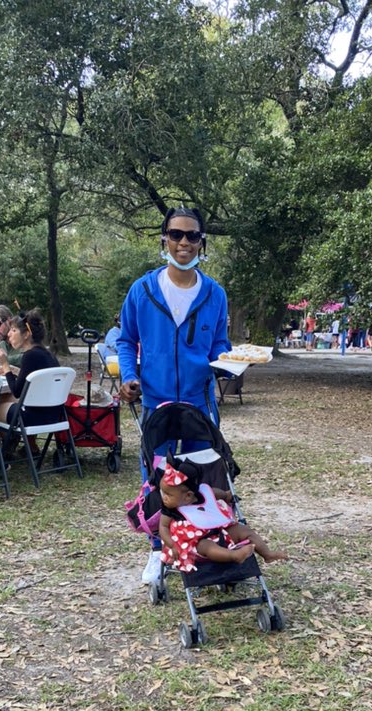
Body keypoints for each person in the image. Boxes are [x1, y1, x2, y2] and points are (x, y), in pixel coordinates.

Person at [116, 206, 232, 584]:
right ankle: (158, 550)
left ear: (202, 243)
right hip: (156, 403)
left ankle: (208, 543)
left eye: (193, 236)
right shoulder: (143, 290)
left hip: (199, 404)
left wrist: (230, 364)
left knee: (204, 475)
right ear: (164, 239)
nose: (184, 243)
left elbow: (220, 345)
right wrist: (131, 377)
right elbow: (126, 340)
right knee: (158, 480)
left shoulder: (214, 293)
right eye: (177, 234)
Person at [158, 456, 287, 572]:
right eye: (163, 493)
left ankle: (267, 554)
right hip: (195, 545)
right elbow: (163, 527)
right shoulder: (171, 510)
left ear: (188, 496)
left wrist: (226, 495)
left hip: (220, 533)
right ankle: (235, 556)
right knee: (207, 546)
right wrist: (172, 545)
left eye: (168, 494)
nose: (164, 498)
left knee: (244, 530)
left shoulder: (204, 494)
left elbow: (216, 493)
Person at [0, 309, 60, 427]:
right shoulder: (47, 354)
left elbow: (17, 391)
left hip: (33, 417)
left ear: (26, 334)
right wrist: (16, 371)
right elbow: (36, 379)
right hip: (55, 414)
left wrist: (5, 365)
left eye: (13, 330)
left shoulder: (30, 355)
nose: (9, 334)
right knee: (7, 398)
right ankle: (27, 445)